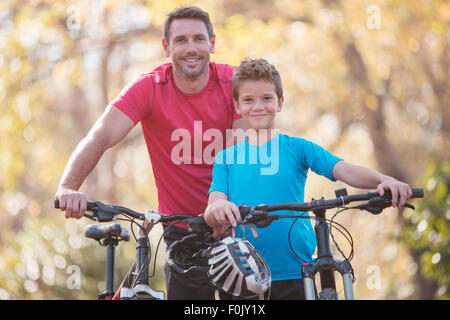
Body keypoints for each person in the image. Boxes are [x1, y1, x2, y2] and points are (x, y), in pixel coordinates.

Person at [55, 6, 246, 300]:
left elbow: (249, 152)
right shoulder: (150, 87)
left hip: (239, 223)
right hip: (183, 230)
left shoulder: (235, 83)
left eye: (198, 38)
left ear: (213, 43)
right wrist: (68, 187)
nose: (191, 48)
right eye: (181, 40)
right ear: (166, 47)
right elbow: (100, 136)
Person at [203, 58, 413, 300]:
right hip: (242, 275)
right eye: (248, 100)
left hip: (295, 270)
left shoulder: (297, 148)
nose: (258, 106)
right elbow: (212, 209)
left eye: (267, 98)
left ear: (280, 102)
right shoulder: (226, 158)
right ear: (237, 105)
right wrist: (218, 207)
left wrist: (384, 180)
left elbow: (344, 169)